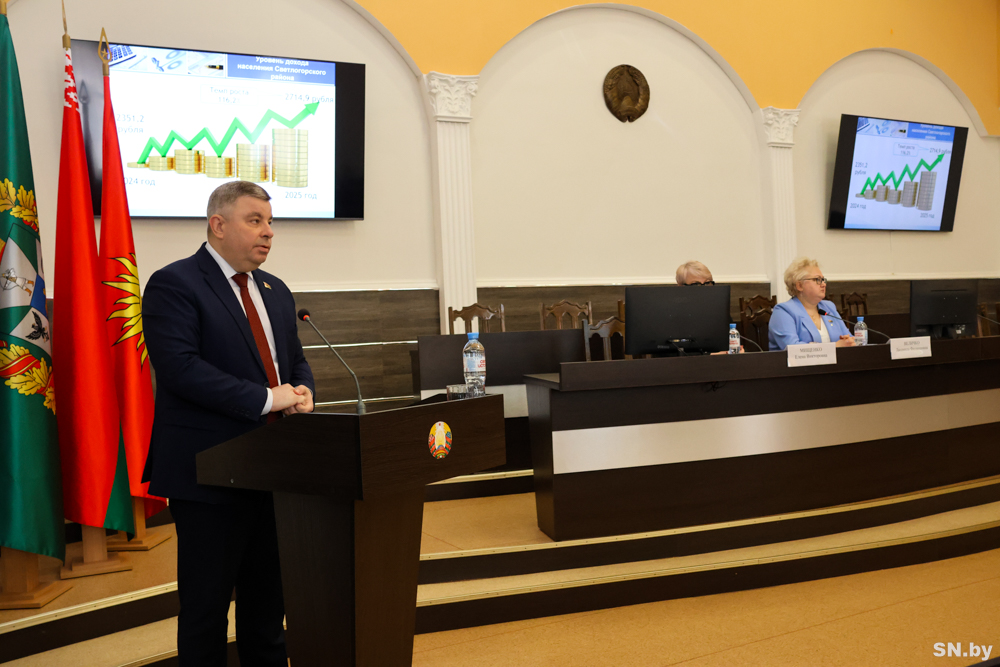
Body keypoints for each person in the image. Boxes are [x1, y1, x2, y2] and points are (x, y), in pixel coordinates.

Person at [142, 181, 315, 666]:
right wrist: (267, 398)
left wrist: (303, 391)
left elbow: (294, 361)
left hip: (274, 471)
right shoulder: (174, 283)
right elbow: (180, 369)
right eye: (255, 220)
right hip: (210, 475)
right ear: (218, 225)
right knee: (206, 610)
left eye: (270, 222)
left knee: (267, 608)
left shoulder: (274, 289)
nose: (268, 232)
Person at [768, 257, 855, 351]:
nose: (823, 284)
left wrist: (849, 341)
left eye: (823, 280)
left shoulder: (828, 307)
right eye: (817, 280)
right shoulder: (783, 312)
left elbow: (848, 337)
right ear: (799, 285)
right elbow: (793, 348)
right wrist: (834, 346)